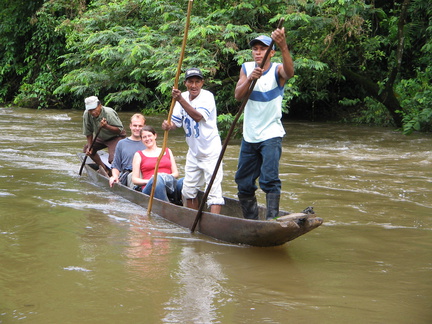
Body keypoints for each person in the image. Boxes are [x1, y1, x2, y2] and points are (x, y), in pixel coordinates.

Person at [234, 27, 294, 220]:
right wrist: (250, 79)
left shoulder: (277, 70)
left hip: (271, 134)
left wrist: (284, 46)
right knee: (243, 181)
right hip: (250, 135)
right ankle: (251, 221)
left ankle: (271, 220)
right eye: (255, 49)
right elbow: (238, 95)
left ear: (271, 52)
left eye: (262, 48)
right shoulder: (246, 68)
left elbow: (290, 73)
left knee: (269, 179)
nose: (258, 52)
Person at [162, 68, 224, 214]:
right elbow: (176, 123)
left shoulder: (207, 97)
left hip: (211, 151)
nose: (194, 85)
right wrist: (168, 126)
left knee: (213, 191)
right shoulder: (182, 97)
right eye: (191, 82)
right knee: (188, 191)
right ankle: (193, 221)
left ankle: (214, 224)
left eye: (197, 82)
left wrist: (180, 100)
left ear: (202, 83)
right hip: (194, 152)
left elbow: (197, 116)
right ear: (185, 83)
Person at [131, 126, 183, 204]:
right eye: (144, 137)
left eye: (149, 136)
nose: (147, 139)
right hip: (150, 187)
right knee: (158, 180)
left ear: (155, 136)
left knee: (184, 181)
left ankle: (187, 206)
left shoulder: (167, 151)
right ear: (141, 140)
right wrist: (152, 181)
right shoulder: (138, 154)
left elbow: (176, 174)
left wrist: (164, 177)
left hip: (168, 184)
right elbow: (135, 180)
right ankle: (166, 207)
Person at [82, 95, 126, 175]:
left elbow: (119, 130)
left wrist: (106, 126)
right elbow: (88, 132)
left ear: (100, 106)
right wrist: (89, 146)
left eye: (94, 109)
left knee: (113, 159)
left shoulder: (109, 113)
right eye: (90, 110)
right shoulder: (86, 114)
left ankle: (118, 176)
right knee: (88, 150)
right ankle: (104, 169)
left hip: (116, 136)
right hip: (101, 137)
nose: (93, 112)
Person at [109, 113, 146, 188]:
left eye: (140, 126)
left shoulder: (148, 142)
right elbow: (116, 165)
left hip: (145, 174)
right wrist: (115, 176)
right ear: (130, 126)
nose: (137, 128)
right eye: (135, 126)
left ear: (144, 127)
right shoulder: (122, 143)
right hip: (129, 175)